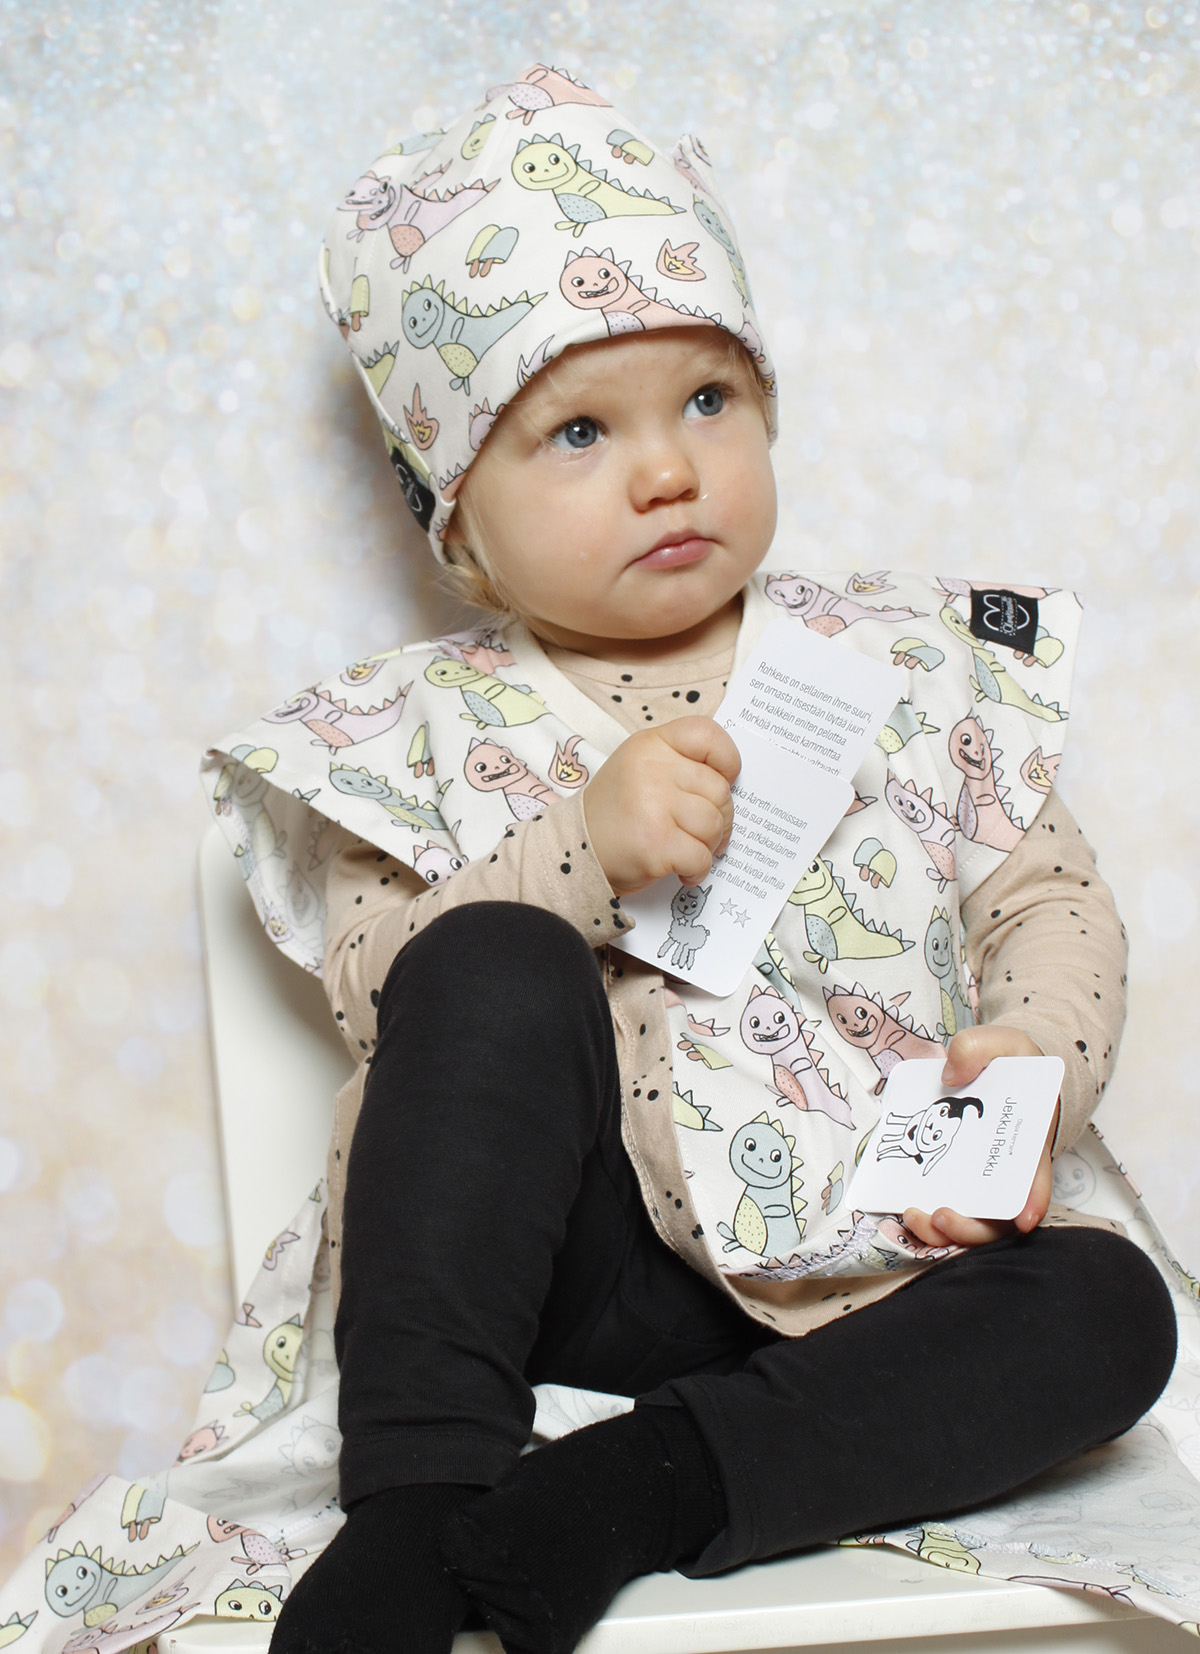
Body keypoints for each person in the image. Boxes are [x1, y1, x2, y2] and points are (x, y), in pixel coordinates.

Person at [207, 69, 1177, 1654]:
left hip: (877, 1270)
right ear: (458, 521)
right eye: (581, 430)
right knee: (489, 956)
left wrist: (1029, 1061)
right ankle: (422, 1496)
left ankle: (634, 1489)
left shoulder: (909, 664)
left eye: (709, 402)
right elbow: (387, 992)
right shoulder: (415, 731)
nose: (667, 470)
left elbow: (1048, 899)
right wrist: (580, 851)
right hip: (582, 1271)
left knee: (1109, 1311)